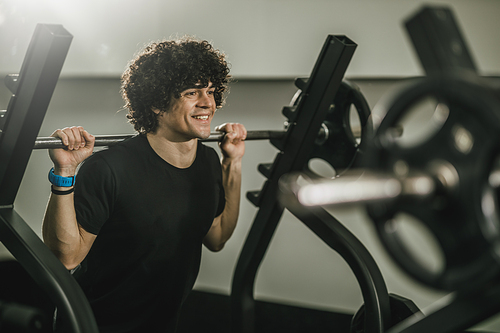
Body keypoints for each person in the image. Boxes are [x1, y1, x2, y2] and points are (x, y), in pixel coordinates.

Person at [42, 36, 246, 332]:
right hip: (94, 325)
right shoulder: (110, 168)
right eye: (192, 92)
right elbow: (66, 258)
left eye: (211, 91)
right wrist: (65, 169)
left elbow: (217, 237)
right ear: (157, 103)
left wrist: (234, 164)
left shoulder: (209, 161)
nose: (208, 103)